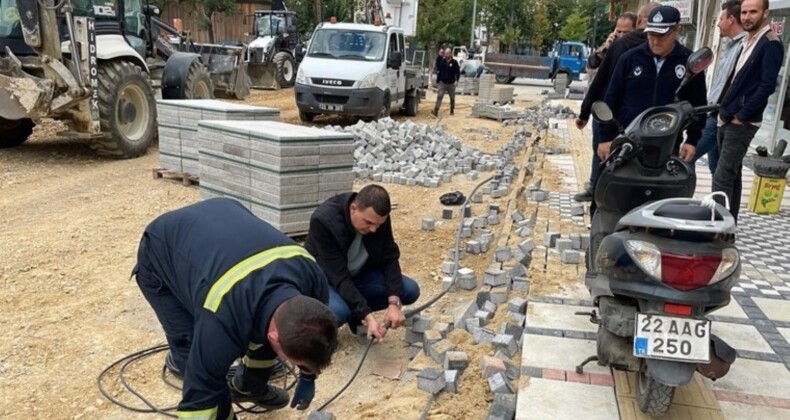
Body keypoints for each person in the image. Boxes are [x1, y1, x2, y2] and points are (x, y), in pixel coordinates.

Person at [133, 198, 338, 419]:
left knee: (264, 322)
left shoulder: (314, 283)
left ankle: (249, 387)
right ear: (274, 336)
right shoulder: (220, 321)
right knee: (191, 349)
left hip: (222, 217)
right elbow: (198, 402)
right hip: (161, 249)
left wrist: (308, 376)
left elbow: (302, 334)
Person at [305, 184, 421, 343]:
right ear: (353, 208)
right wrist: (368, 317)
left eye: (378, 225)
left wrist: (394, 303)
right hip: (327, 280)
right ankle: (321, 321)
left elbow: (390, 257)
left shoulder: (377, 218)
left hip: (358, 275)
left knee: (409, 290)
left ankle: (354, 314)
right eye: (368, 222)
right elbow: (338, 276)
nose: (373, 229)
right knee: (339, 312)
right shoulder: (324, 221)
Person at [600, 5, 707, 163]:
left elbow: (698, 104)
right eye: (651, 35)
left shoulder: (689, 62)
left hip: (668, 144)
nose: (655, 41)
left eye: (661, 36)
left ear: (677, 31)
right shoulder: (630, 59)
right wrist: (605, 138)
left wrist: (692, 140)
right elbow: (611, 99)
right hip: (628, 141)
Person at [574, 4, 659, 202]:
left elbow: (600, 82)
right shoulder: (618, 46)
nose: (621, 36)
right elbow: (594, 66)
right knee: (605, 151)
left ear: (638, 22)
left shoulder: (632, 48)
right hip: (612, 110)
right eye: (617, 32)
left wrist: (585, 113)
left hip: (618, 112)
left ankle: (602, 192)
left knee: (609, 153)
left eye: (625, 32)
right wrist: (606, 45)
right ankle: (600, 188)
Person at [713, 0, 784, 223]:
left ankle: (715, 228)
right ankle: (728, 226)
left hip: (741, 122)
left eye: (753, 12)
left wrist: (741, 116)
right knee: (731, 176)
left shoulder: (770, 43)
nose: (747, 16)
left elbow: (767, 85)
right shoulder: (747, 40)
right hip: (727, 115)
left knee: (721, 177)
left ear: (765, 13)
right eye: (744, 12)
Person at [690, 1, 747, 176]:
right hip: (714, 113)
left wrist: (728, 113)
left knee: (687, 155)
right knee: (716, 168)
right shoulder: (730, 46)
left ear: (731, 19)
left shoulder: (743, 47)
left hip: (719, 115)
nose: (718, 23)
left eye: (721, 18)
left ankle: (683, 196)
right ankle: (719, 201)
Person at [432, 48, 461, 117]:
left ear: (450, 54)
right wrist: (439, 55)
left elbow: (458, 72)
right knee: (440, 95)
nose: (445, 55)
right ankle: (436, 110)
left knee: (452, 97)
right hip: (442, 82)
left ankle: (452, 110)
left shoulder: (454, 62)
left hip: (451, 83)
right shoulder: (442, 61)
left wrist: (456, 80)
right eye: (445, 53)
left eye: (447, 53)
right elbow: (437, 64)